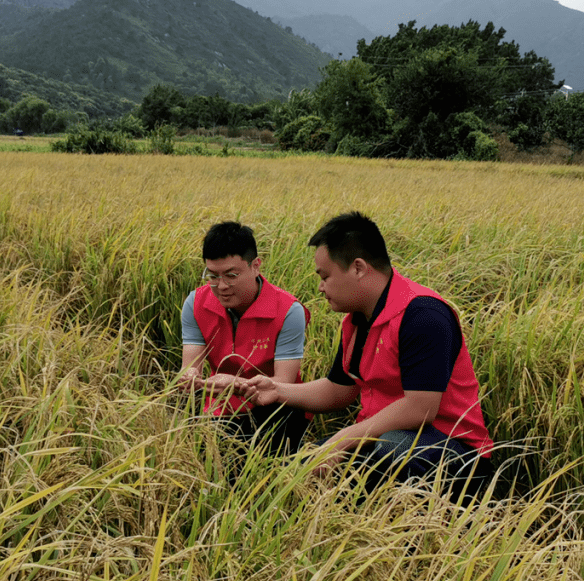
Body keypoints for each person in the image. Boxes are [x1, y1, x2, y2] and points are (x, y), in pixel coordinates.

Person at [242, 211, 493, 494]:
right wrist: (277, 390)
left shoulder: (422, 315)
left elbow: (420, 408)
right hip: (382, 440)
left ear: (359, 268)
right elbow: (339, 390)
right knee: (301, 464)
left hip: (453, 451)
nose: (321, 288)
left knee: (391, 450)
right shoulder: (357, 321)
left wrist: (343, 438)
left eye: (325, 276)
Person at [179, 221, 310, 455]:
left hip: (274, 408)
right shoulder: (195, 303)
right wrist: (189, 377)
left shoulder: (289, 311)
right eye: (212, 276)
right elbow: (190, 368)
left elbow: (283, 383)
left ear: (256, 266)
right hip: (219, 406)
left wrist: (236, 385)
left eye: (231, 275)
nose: (221, 286)